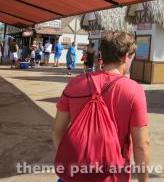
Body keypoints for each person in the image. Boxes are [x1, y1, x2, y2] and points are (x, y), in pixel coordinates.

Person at [53, 31, 150, 182]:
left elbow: (57, 132)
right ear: (125, 57)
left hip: (72, 175)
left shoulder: (74, 84)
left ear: (102, 54)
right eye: (132, 57)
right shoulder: (134, 91)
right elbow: (141, 145)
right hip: (112, 176)